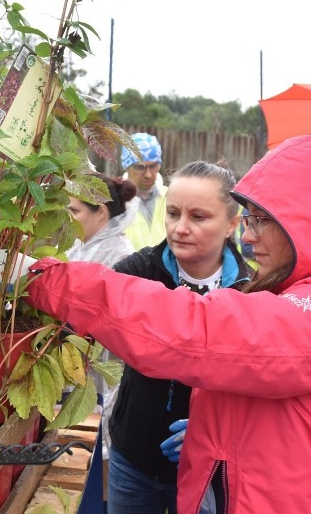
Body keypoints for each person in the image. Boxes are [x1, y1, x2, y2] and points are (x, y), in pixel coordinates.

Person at [0, 135, 311, 513]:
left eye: (263, 220)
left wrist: (48, 279)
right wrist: (218, 429)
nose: (249, 236)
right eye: (251, 219)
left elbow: (198, 333)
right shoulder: (291, 292)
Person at [106, 161, 250, 514]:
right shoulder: (138, 272)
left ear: (232, 223)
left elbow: (260, 386)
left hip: (209, 467)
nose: (180, 228)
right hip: (133, 459)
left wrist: (215, 427)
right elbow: (90, 297)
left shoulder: (251, 293)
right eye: (172, 213)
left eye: (199, 217)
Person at [65, 172, 137, 469]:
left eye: (74, 211)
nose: (68, 218)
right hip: (80, 370)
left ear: (101, 212)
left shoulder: (120, 256)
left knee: (94, 461)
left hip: (101, 374)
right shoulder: (83, 246)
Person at [120, 132, 167, 249]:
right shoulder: (114, 200)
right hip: (127, 267)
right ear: (127, 166)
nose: (148, 175)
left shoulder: (171, 197)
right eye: (140, 167)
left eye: (154, 166)